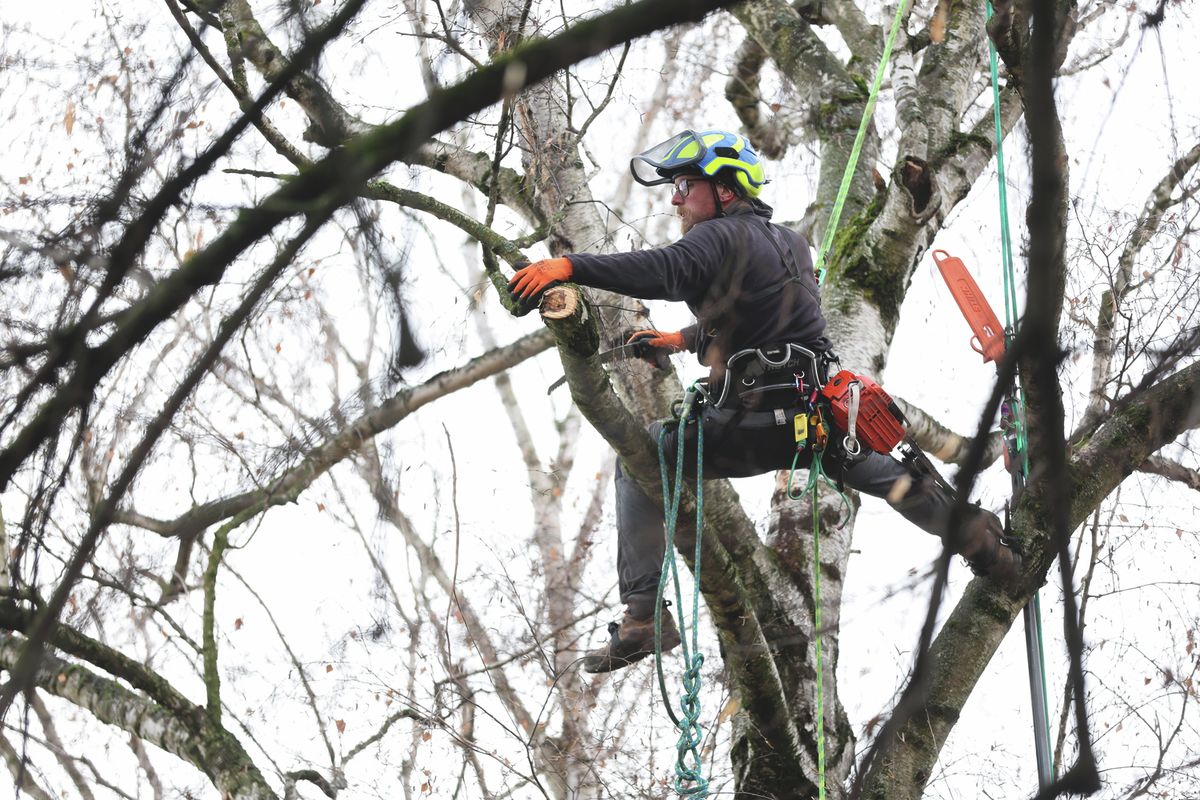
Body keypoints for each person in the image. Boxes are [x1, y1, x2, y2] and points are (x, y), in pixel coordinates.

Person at [508, 129, 1021, 673]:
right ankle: (985, 543)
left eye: (684, 185)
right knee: (890, 479)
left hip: (753, 421)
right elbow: (757, 321)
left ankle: (642, 618)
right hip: (814, 419)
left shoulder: (716, 238)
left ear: (725, 192)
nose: (675, 199)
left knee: (646, 453)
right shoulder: (788, 243)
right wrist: (678, 341)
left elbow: (662, 270)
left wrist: (571, 268)